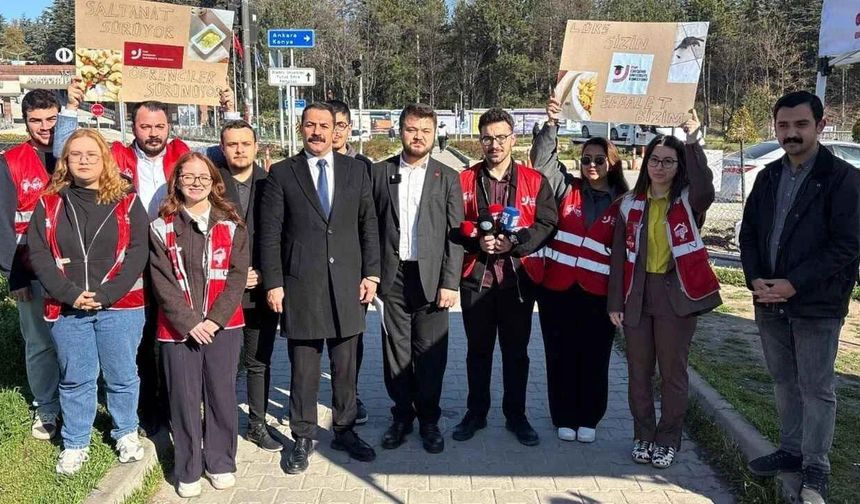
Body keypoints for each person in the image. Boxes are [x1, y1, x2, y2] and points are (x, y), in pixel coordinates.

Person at [740, 91, 860, 504]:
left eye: (801, 125)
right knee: (783, 381)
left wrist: (794, 283)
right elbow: (749, 233)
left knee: (816, 387)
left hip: (816, 304)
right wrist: (756, 278)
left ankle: (816, 467)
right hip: (768, 300)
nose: (791, 133)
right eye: (783, 125)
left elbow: (847, 245)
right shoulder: (768, 176)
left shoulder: (843, 179)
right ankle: (791, 451)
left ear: (820, 126)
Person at [259, 102, 380, 474]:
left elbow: (369, 225)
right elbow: (270, 234)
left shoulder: (356, 171)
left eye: (324, 125)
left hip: (348, 284)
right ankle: (303, 436)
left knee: (345, 367)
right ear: (301, 128)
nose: (317, 132)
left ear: (336, 130)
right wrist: (274, 283)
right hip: (302, 285)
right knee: (304, 369)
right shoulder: (282, 173)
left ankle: (344, 430)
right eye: (310, 125)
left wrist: (372, 274)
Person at [27, 129, 149, 475]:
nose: (83, 160)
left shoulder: (127, 200)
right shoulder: (49, 203)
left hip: (120, 305)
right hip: (67, 306)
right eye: (75, 155)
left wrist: (108, 294)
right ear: (65, 161)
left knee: (122, 374)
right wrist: (69, 294)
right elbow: (39, 254)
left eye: (91, 154)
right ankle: (76, 442)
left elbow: (138, 252)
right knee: (76, 378)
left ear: (104, 160)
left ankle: (126, 432)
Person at [607, 111, 721, 469]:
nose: (660, 167)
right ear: (646, 164)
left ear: (678, 166)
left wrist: (693, 139)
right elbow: (618, 258)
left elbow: (705, 188)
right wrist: (615, 302)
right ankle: (643, 435)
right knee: (639, 372)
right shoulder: (629, 203)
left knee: (672, 373)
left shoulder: (688, 200)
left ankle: (668, 439)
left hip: (676, 297)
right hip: (638, 296)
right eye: (654, 160)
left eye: (668, 161)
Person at [451, 108, 557, 446]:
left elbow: (547, 223)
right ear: (479, 140)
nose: (494, 144)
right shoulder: (463, 180)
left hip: (517, 281)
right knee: (477, 351)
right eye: (487, 138)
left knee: (516, 353)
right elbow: (451, 225)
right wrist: (475, 240)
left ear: (513, 139)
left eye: (500, 137)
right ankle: (476, 413)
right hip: (476, 279)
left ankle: (516, 415)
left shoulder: (534, 181)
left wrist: (517, 242)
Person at [149, 152, 249, 498]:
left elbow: (237, 277)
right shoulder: (160, 227)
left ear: (214, 183)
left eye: (203, 177)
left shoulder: (232, 224)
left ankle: (220, 462)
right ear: (177, 182)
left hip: (224, 327)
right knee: (184, 399)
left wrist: (214, 320)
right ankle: (188, 468)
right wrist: (191, 322)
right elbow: (162, 282)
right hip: (178, 330)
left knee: (221, 395)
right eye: (188, 176)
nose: (196, 183)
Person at [531, 95, 629, 443]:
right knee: (560, 355)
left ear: (611, 163)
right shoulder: (565, 188)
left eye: (599, 160)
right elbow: (542, 161)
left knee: (594, 357)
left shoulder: (624, 201)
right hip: (557, 290)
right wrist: (552, 123)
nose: (591, 165)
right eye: (586, 159)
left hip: (598, 294)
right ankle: (563, 414)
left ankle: (589, 415)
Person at [371, 104, 464, 454]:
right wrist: (371, 275)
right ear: (400, 131)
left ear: (435, 133)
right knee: (396, 351)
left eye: (425, 130)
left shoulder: (447, 176)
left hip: (432, 278)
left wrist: (450, 282)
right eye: (411, 129)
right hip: (392, 277)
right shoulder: (379, 173)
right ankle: (401, 417)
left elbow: (455, 234)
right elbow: (369, 227)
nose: (418, 136)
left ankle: (429, 420)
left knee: (431, 354)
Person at [215, 120, 282, 452]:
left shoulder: (272, 182)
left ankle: (257, 423)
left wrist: (269, 276)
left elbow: (282, 235)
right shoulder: (211, 183)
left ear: (256, 146)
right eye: (232, 144)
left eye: (245, 143)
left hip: (262, 288)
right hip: (221, 290)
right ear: (222, 147)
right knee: (221, 362)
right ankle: (218, 425)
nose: (239, 150)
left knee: (258, 360)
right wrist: (236, 273)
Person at [0, 89, 62, 440]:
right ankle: (47, 407)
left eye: (51, 119)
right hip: (30, 269)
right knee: (39, 342)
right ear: (25, 121)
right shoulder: (10, 162)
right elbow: (3, 225)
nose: (45, 127)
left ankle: (77, 400)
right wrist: (14, 277)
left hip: (75, 269)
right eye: (36, 120)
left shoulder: (75, 153)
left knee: (75, 340)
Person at [327, 98, 373, 425]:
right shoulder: (302, 166)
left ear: (349, 128)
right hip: (316, 269)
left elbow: (371, 221)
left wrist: (371, 272)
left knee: (351, 339)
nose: (334, 133)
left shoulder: (364, 167)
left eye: (340, 125)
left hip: (353, 269)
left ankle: (349, 396)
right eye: (329, 125)